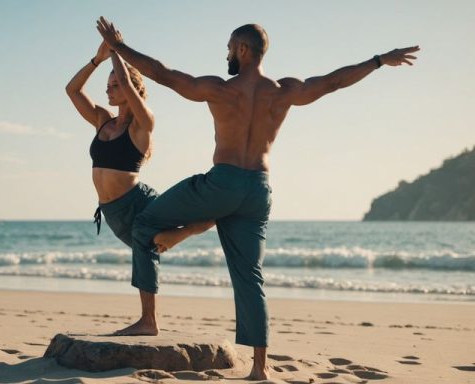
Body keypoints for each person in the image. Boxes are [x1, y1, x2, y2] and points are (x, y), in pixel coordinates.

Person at [97, 17, 419, 379]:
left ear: (244, 49)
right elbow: (332, 82)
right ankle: (260, 369)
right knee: (250, 277)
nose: (227, 54)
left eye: (230, 47)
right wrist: (378, 60)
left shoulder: (221, 89)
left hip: (223, 182)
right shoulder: (283, 91)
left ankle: (148, 318)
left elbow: (163, 74)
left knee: (144, 223)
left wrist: (118, 47)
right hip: (259, 190)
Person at [65, 41, 214, 335]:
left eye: (114, 84)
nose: (108, 90)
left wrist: (118, 54)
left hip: (138, 202)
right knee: (147, 247)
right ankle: (169, 243)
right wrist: (98, 59)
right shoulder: (102, 120)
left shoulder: (142, 124)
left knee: (203, 215)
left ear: (128, 88)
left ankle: (149, 321)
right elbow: (72, 90)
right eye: (107, 85)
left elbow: (134, 98)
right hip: (112, 213)